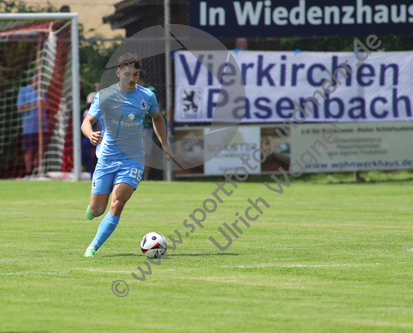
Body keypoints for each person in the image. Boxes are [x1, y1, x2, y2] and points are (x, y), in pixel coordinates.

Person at [81, 53, 174, 257]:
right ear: (118, 73)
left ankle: (92, 248)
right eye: (127, 74)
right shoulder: (104, 95)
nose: (132, 79)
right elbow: (86, 122)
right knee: (97, 210)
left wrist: (164, 144)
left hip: (132, 159)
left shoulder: (146, 96)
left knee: (118, 201)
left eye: (136, 74)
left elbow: (157, 118)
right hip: (106, 157)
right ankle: (93, 208)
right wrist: (91, 135)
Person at [16, 74, 48, 175]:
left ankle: (38, 171)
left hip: (42, 127)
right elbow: (20, 108)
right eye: (36, 78)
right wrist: (36, 103)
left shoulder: (41, 92)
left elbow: (46, 107)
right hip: (29, 128)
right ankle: (29, 173)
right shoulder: (24, 91)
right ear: (32, 79)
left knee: (41, 151)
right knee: (29, 151)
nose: (38, 81)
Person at [137, 69, 162, 180]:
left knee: (145, 153)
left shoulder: (150, 91)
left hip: (145, 127)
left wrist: (138, 111)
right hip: (131, 127)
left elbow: (157, 109)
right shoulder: (130, 90)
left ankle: (145, 178)